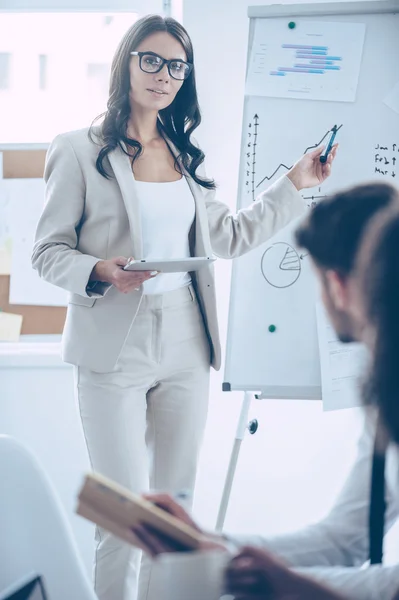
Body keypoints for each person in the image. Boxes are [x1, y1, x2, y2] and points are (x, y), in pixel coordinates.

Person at [31, 13, 336, 600]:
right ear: (127, 62)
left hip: (186, 344)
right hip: (112, 344)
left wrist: (294, 183)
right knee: (123, 520)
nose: (163, 75)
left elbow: (230, 237)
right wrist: (99, 271)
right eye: (151, 59)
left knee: (175, 520)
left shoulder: (183, 156)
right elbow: (47, 252)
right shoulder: (76, 150)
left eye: (176, 66)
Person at [132, 182, 399, 599]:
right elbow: (348, 539)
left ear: (339, 285)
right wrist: (208, 543)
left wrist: (292, 586)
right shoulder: (385, 392)